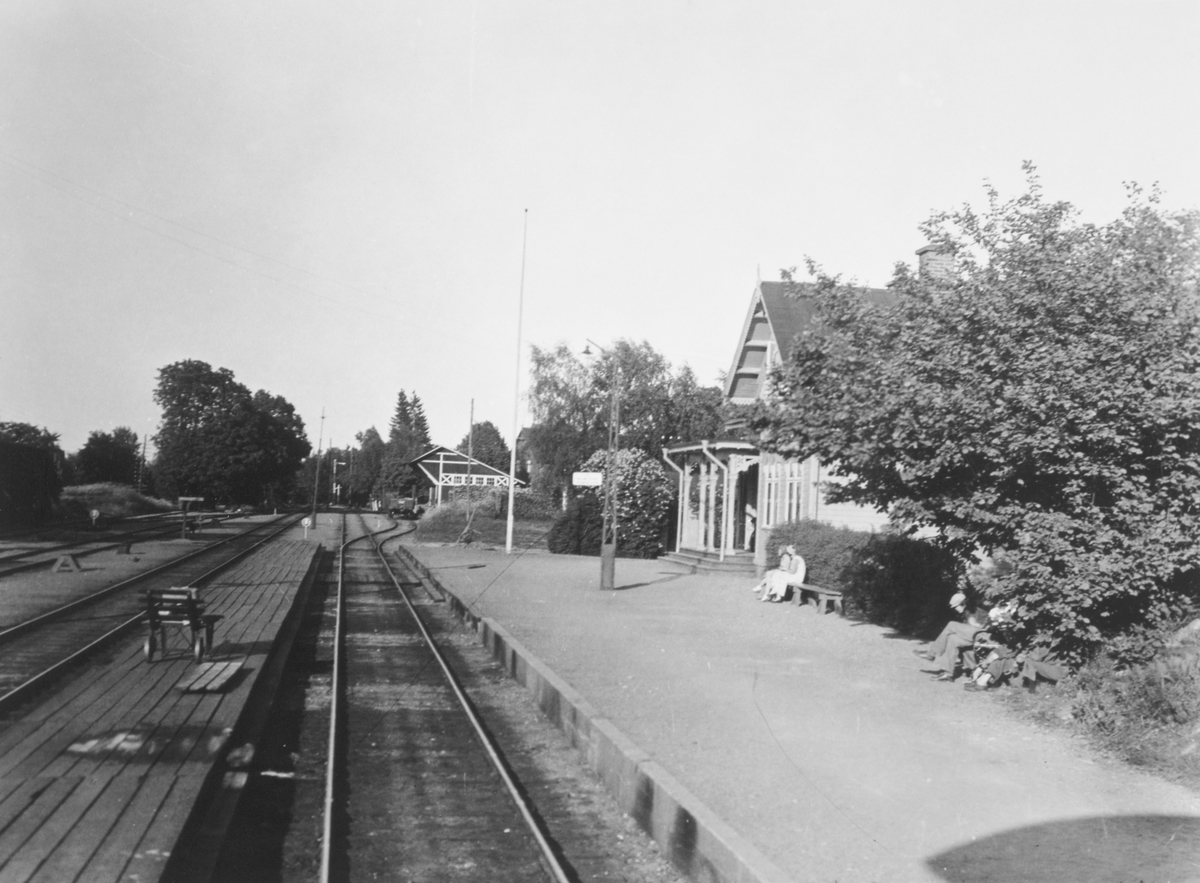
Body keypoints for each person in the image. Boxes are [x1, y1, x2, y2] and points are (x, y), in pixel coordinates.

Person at [914, 590, 985, 680]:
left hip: (981, 634)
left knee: (951, 624)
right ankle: (948, 673)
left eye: (956, 606)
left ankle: (931, 654)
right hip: (975, 635)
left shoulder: (971, 610)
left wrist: (973, 623)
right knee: (952, 639)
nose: (955, 608)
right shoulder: (968, 611)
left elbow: (977, 625)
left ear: (963, 603)